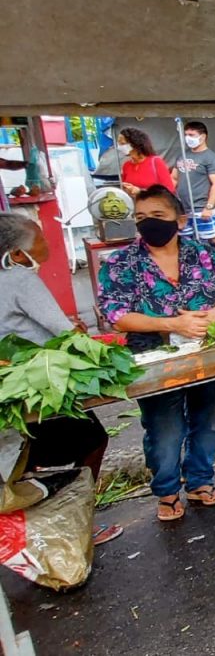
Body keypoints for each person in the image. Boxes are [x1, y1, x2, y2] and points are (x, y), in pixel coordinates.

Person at [98, 185, 215, 521]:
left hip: (207, 350)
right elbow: (117, 315)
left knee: (207, 418)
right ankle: (166, 492)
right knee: (165, 427)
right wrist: (173, 324)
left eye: (158, 216)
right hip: (153, 357)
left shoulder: (203, 252)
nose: (149, 224)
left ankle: (200, 482)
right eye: (141, 218)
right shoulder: (121, 262)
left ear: (180, 218)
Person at [0, 214, 122, 546]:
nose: (46, 246)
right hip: (37, 385)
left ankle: (46, 525)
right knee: (91, 439)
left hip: (11, 389)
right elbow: (63, 332)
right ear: (16, 254)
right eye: (38, 241)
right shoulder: (19, 279)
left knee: (28, 462)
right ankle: (76, 520)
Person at [171, 121, 215, 252]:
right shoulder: (182, 155)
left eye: (191, 134)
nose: (187, 138)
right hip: (183, 210)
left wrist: (209, 207)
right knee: (185, 242)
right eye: (186, 134)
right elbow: (173, 178)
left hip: (202, 209)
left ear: (203, 136)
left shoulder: (211, 158)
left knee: (211, 241)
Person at [117, 127, 174, 197]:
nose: (119, 147)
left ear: (134, 144)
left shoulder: (156, 162)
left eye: (122, 143)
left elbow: (169, 190)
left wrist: (141, 192)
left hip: (154, 206)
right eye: (118, 143)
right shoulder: (126, 165)